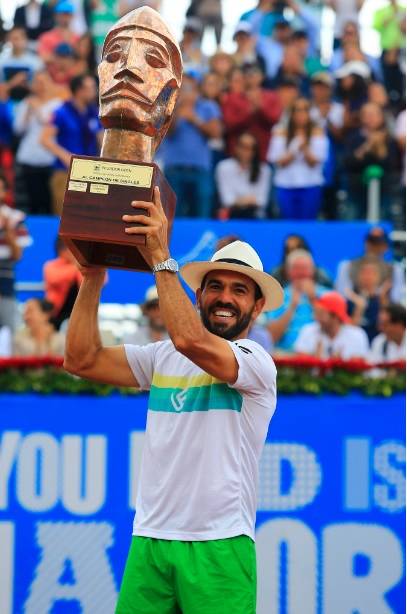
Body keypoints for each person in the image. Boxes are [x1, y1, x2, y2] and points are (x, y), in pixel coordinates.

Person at [63, 188, 284, 613]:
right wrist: (93, 276)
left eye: (240, 291)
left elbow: (189, 339)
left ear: (257, 309)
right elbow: (81, 358)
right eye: (214, 286)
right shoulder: (163, 357)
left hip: (219, 546)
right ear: (198, 296)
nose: (224, 297)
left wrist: (162, 258)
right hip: (150, 541)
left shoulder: (256, 362)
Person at [160, 72, 222, 217]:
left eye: (190, 87)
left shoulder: (208, 106)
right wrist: (177, 111)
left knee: (202, 214)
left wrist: (194, 118)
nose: (187, 90)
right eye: (183, 87)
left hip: (200, 169)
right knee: (174, 216)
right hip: (174, 169)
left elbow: (216, 133)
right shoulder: (168, 106)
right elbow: (165, 132)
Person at [41, 73, 101, 215]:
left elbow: (101, 139)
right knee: (64, 215)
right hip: (65, 172)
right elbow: (44, 139)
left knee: (88, 217)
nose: (95, 91)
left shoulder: (94, 112)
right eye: (91, 87)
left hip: (90, 172)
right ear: (79, 90)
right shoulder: (61, 111)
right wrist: (65, 156)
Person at [267, 97, 329, 219]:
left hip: (310, 184)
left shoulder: (318, 133)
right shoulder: (280, 132)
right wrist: (295, 148)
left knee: (308, 223)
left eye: (304, 110)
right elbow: (277, 160)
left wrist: (305, 148)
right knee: (287, 222)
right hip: (286, 185)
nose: (301, 114)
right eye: (297, 110)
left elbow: (315, 161)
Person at [13, 70, 62, 215]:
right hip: (29, 157)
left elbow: (47, 122)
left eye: (44, 82)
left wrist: (37, 109)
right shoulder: (26, 103)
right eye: (37, 82)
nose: (41, 86)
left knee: (49, 201)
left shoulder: (57, 105)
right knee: (32, 201)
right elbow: (18, 129)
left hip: (49, 158)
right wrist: (28, 111)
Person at [266, 248, 329, 352]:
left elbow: (335, 331)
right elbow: (271, 337)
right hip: (285, 356)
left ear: (313, 271)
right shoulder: (278, 296)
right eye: (296, 268)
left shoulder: (327, 295)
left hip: (319, 355)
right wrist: (292, 307)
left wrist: (313, 300)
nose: (301, 273)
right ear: (288, 271)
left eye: (305, 268)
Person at [221, 62, 282, 161]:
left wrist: (260, 108)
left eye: (255, 73)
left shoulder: (272, 96)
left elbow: (275, 119)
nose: (252, 76)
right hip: (236, 155)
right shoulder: (233, 98)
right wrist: (249, 112)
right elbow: (228, 124)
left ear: (262, 76)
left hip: (263, 154)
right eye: (248, 73)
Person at [335, 226, 405, 304]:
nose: (372, 247)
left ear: (385, 247)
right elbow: (341, 297)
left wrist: (379, 297)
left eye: (377, 244)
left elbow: (398, 301)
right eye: (370, 242)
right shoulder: (347, 266)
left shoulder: (395, 270)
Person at [294, 290, 369, 359]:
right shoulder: (308, 330)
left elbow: (360, 366)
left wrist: (340, 365)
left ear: (335, 317)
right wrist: (314, 360)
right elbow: (299, 361)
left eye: (321, 314)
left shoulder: (357, 335)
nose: (316, 318)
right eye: (316, 313)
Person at [0, 174, 32, 332]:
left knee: (8, 333)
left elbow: (18, 255)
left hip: (5, 281)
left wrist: (7, 230)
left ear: (5, 192)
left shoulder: (17, 218)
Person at [215, 131, 272, 219]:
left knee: (261, 215)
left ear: (255, 151)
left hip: (255, 213)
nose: (246, 151)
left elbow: (262, 200)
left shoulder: (264, 170)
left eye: (250, 148)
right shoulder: (224, 167)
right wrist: (247, 200)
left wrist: (241, 201)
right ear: (236, 148)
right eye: (243, 147)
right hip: (232, 211)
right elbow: (227, 200)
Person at [43, 236, 82, 330]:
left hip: (80, 312)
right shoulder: (51, 265)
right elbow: (54, 279)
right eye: (66, 248)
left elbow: (99, 282)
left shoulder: (82, 266)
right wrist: (77, 266)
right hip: (56, 313)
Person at [0, 27, 43, 104]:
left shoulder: (35, 61)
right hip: (5, 102)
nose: (16, 42)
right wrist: (14, 82)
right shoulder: (2, 60)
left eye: (19, 38)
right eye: (13, 38)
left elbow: (41, 89)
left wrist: (25, 84)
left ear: (25, 39)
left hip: (29, 103)